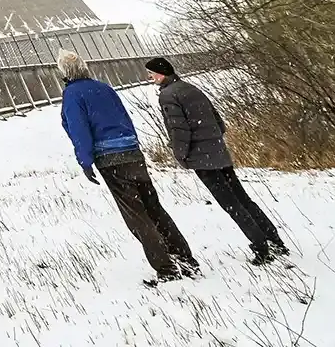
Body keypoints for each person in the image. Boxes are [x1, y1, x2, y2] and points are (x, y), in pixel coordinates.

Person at [58, 49, 198, 285]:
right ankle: (185, 258)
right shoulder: (104, 88)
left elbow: (78, 128)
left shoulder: (73, 94)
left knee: (136, 216)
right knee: (154, 208)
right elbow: (124, 118)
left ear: (64, 73)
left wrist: (85, 161)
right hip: (132, 152)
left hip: (110, 159)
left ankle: (166, 269)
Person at [145, 56, 288, 265]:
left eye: (151, 74)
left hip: (203, 160)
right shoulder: (191, 88)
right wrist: (212, 142)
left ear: (161, 73)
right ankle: (275, 241)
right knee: (243, 199)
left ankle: (261, 248)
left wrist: (181, 155)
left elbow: (178, 130)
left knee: (231, 205)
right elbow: (219, 124)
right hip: (219, 153)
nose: (149, 78)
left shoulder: (167, 96)